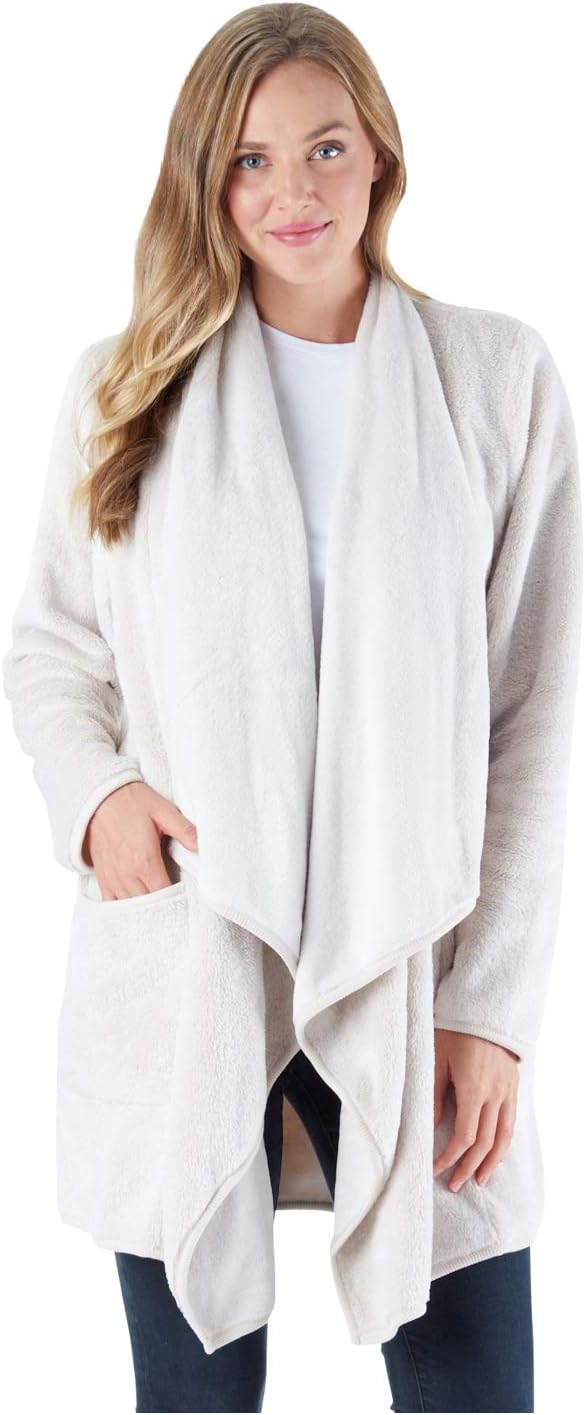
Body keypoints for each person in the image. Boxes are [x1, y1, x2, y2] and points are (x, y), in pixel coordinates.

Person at [3, 5, 581, 1412]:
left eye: (325, 147)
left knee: (474, 1388)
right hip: (196, 952)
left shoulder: (494, 377)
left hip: (417, 961)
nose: (292, 192)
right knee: (194, 1399)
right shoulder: (124, 387)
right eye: (248, 161)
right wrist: (100, 803)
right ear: (204, 181)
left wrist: (491, 1011)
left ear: (380, 154)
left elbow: (536, 707)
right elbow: (52, 648)